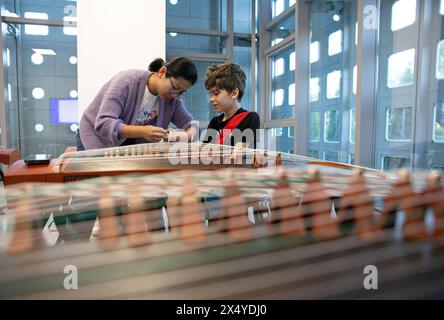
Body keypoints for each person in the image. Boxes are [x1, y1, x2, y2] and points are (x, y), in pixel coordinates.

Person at [78, 57, 198, 150]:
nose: (175, 95)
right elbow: (104, 123)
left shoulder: (172, 101)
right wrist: (142, 131)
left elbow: (193, 126)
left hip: (124, 145)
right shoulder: (127, 82)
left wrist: (182, 137)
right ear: (162, 72)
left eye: (181, 92)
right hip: (94, 136)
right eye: (174, 87)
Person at [203, 63, 260, 149]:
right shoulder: (214, 122)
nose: (211, 98)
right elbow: (205, 152)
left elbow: (241, 152)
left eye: (216, 93)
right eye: (210, 94)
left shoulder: (251, 118)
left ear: (234, 93)